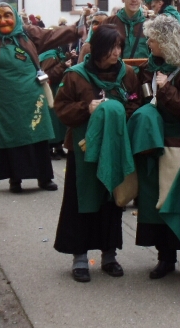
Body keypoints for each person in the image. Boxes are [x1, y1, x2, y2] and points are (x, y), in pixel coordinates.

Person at [128, 15, 180, 279]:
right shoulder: (149, 67)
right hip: (153, 144)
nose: (149, 44)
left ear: (166, 42)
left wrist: (165, 89)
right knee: (157, 205)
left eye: (153, 39)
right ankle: (166, 258)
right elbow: (139, 98)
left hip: (179, 145)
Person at [53, 26, 140, 282]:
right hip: (82, 151)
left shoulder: (127, 74)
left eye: (119, 47)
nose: (117, 52)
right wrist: (86, 108)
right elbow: (61, 108)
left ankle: (109, 256)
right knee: (81, 202)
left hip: (114, 147)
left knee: (110, 201)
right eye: (112, 48)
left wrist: (116, 113)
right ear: (99, 48)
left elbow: (135, 102)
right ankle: (80, 258)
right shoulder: (75, 76)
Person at [0, 3, 80, 193]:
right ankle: (15, 179)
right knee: (12, 137)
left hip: (33, 96)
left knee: (37, 135)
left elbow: (51, 35)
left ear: (15, 17)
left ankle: (44, 178)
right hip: (7, 101)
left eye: (7, 15)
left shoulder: (28, 34)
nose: (3, 21)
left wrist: (77, 29)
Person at [79, 0, 150, 60]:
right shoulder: (108, 23)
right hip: (116, 69)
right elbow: (93, 50)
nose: (134, 0)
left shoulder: (149, 25)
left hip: (143, 69)